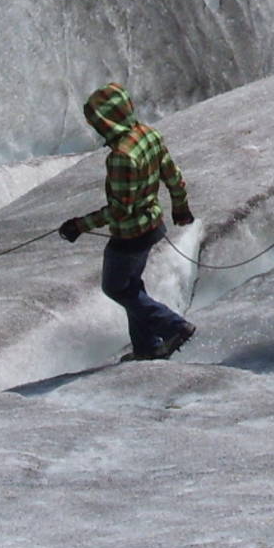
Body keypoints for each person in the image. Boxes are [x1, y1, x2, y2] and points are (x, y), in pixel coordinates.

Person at [58, 83, 197, 360]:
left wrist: (79, 225)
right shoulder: (148, 134)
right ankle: (147, 348)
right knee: (132, 287)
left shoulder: (121, 156)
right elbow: (173, 175)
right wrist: (180, 207)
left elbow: (121, 209)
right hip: (153, 226)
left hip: (130, 235)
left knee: (117, 288)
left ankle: (173, 325)